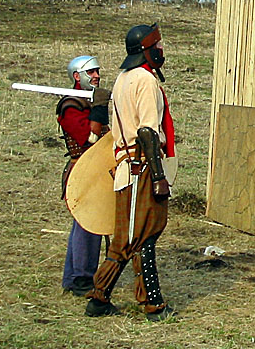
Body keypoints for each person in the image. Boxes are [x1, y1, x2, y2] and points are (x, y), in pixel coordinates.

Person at [85, 23, 175, 321]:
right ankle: (153, 304)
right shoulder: (145, 80)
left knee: (126, 237)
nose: (161, 50)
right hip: (142, 167)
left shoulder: (123, 79)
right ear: (146, 50)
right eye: (157, 46)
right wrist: (159, 177)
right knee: (144, 235)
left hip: (128, 166)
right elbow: (148, 131)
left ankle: (99, 297)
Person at [57, 56, 111, 296]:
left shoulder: (89, 100)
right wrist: (99, 109)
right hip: (81, 170)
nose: (96, 76)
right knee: (87, 224)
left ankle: (74, 277)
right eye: (91, 72)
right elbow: (90, 139)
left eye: (97, 71)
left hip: (95, 168)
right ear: (77, 76)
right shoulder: (70, 106)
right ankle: (81, 278)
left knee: (86, 224)